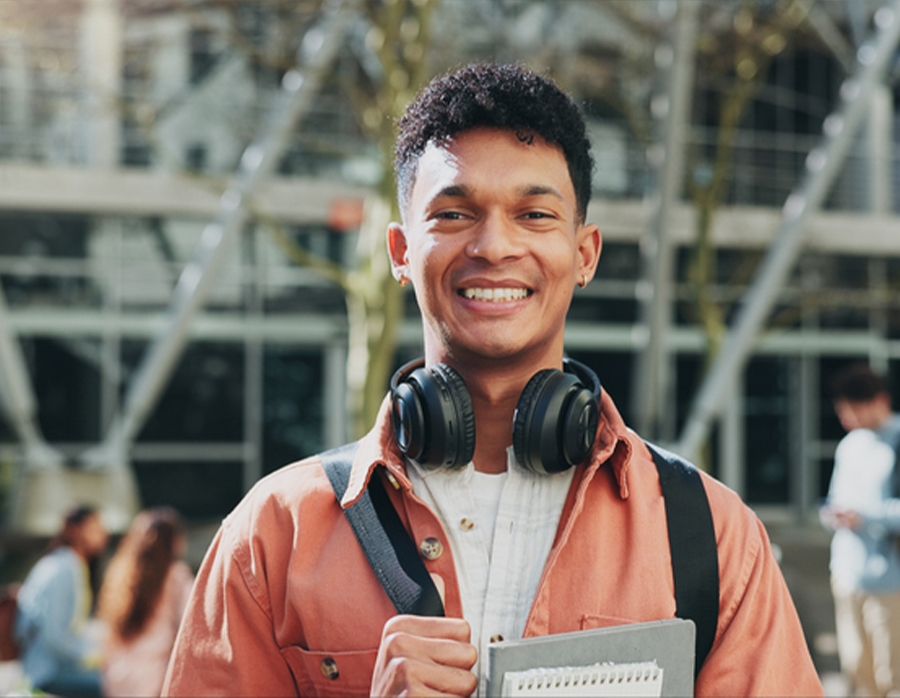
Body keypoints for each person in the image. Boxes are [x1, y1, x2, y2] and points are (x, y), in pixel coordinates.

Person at [163, 62, 822, 697]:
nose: (494, 246)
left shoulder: (710, 534)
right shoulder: (274, 533)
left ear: (584, 254)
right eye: (454, 215)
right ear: (400, 253)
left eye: (534, 215)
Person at [821, 363, 900, 696]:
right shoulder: (850, 445)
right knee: (857, 671)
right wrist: (834, 514)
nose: (848, 418)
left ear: (880, 401)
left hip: (892, 580)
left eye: (854, 409)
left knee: (898, 676)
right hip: (846, 575)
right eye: (843, 410)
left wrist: (865, 516)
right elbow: (837, 498)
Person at [96, 507, 194, 697]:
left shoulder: (120, 575)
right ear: (175, 541)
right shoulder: (177, 576)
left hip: (116, 678)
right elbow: (190, 627)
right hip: (155, 679)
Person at [15, 505, 109, 697]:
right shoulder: (63, 568)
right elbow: (55, 637)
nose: (103, 534)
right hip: (47, 672)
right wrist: (96, 655)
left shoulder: (70, 564)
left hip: (57, 667)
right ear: (75, 530)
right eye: (95, 528)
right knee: (116, 686)